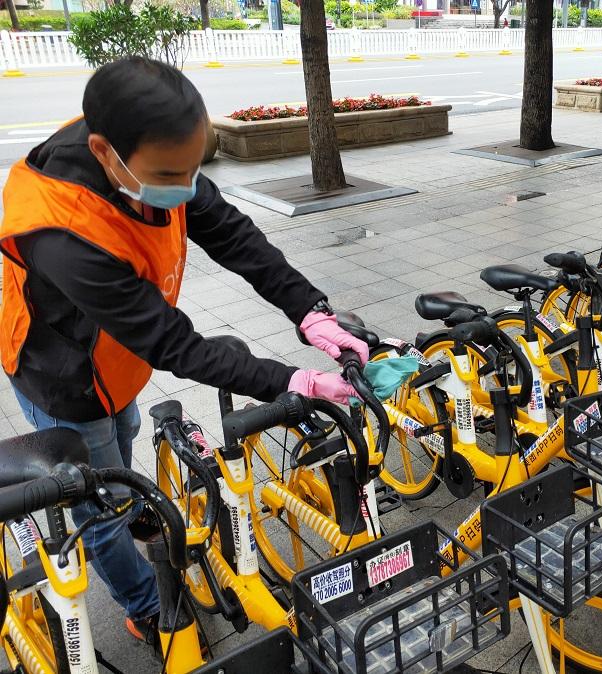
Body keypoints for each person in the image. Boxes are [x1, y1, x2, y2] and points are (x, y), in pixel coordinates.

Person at [0, 57, 368, 649]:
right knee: (97, 496)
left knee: (124, 431)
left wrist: (310, 311)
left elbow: (230, 232)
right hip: (64, 376)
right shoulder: (61, 232)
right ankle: (147, 605)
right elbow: (172, 342)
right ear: (103, 151)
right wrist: (293, 381)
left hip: (115, 358)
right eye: (173, 173)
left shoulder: (145, 149)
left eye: (196, 167)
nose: (187, 187)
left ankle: (126, 492)